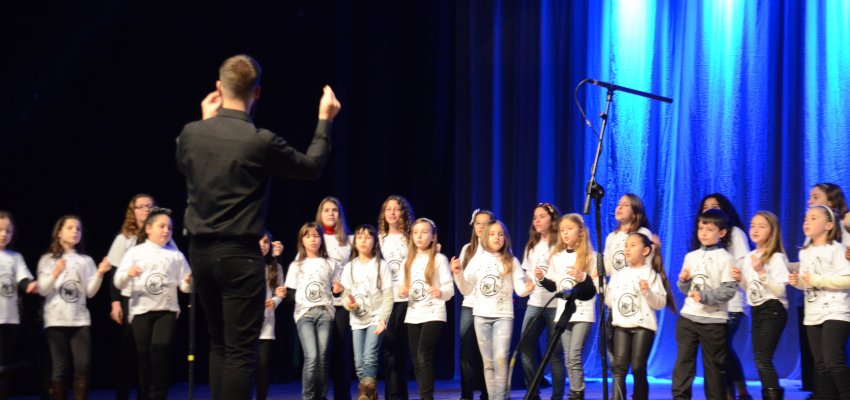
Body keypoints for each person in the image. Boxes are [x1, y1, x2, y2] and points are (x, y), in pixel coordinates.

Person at [175, 54, 341, 400]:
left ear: (219, 88)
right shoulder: (258, 140)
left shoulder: (191, 133)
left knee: (220, 345)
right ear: (258, 93)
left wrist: (207, 122)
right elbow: (311, 167)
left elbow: (186, 165)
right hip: (240, 255)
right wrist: (324, 120)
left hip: (201, 255)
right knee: (238, 353)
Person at [114, 208, 192, 400]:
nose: (166, 230)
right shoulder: (135, 252)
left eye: (170, 227)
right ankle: (145, 395)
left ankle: (158, 396)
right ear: (148, 228)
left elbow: (184, 287)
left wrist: (189, 282)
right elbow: (118, 281)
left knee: (161, 355)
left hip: (167, 310)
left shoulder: (176, 255)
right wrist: (128, 273)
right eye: (161, 226)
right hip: (141, 310)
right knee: (144, 357)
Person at [452, 220, 532, 400]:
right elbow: (466, 289)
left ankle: (499, 397)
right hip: (481, 316)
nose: (497, 237)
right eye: (493, 234)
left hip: (503, 316)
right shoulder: (477, 260)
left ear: (506, 238)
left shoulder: (512, 261)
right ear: (485, 237)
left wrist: (528, 288)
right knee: (488, 363)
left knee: (501, 358)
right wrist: (458, 273)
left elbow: (519, 290)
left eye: (501, 234)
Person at [37, 215, 111, 399]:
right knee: (60, 368)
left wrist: (100, 273)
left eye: (78, 229)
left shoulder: (85, 260)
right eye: (70, 228)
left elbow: (90, 292)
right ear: (59, 232)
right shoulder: (47, 259)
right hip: (56, 320)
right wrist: (56, 272)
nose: (75, 232)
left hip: (80, 320)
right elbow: (43, 290)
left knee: (83, 366)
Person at [671, 209, 737, 400]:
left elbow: (728, 291)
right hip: (688, 319)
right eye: (701, 228)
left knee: (714, 368)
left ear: (722, 233)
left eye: (709, 229)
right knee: (684, 363)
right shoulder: (691, 256)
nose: (704, 233)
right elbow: (686, 290)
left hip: (714, 321)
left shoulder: (726, 258)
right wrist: (683, 281)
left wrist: (705, 296)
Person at [605, 233, 675, 400]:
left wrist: (647, 292)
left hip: (643, 327)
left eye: (633, 245)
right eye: (626, 245)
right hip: (621, 325)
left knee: (638, 367)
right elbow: (609, 301)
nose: (627, 249)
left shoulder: (651, 274)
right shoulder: (618, 274)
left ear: (645, 250)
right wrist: (608, 293)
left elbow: (659, 302)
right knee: (619, 367)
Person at [790, 205, 850, 399]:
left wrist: (816, 280)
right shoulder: (804, 252)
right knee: (821, 364)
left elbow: (847, 279)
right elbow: (807, 284)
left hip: (836, 311)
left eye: (814, 218)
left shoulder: (837, 250)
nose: (807, 221)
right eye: (806, 218)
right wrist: (797, 282)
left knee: (833, 360)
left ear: (829, 225)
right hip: (813, 313)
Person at [104, 193, 157, 400]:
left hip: (154, 300)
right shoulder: (124, 238)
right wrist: (115, 303)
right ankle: (123, 394)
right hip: (130, 299)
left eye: (150, 206)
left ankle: (145, 395)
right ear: (132, 211)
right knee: (130, 351)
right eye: (141, 206)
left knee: (151, 352)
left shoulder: (162, 237)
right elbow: (114, 272)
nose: (146, 209)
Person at [284, 222, 341, 400]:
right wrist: (283, 293)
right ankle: (308, 397)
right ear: (302, 239)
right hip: (304, 314)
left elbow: (336, 289)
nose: (313, 239)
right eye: (308, 236)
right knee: (312, 357)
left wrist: (337, 288)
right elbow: (291, 292)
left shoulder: (330, 263)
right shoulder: (296, 264)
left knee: (323, 357)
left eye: (316, 236)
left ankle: (321, 396)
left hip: (325, 312)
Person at [399, 218, 453, 400]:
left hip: (434, 313)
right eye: (415, 232)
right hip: (413, 314)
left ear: (432, 236)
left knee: (424, 355)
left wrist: (441, 291)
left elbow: (449, 289)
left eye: (424, 232)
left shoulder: (439, 259)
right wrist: (403, 291)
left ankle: (426, 397)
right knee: (416, 361)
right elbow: (400, 288)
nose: (419, 236)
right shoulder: (407, 261)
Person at [736, 211, 788, 400]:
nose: (755, 229)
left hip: (773, 308)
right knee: (760, 359)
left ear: (772, 231)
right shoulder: (750, 256)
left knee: (763, 358)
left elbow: (779, 290)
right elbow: (749, 288)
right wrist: (740, 278)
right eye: (753, 225)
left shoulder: (776, 258)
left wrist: (761, 271)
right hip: (756, 309)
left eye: (761, 226)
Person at [341, 225, 393, 400]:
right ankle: (371, 394)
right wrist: (350, 305)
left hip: (375, 318)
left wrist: (383, 319)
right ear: (354, 242)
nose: (363, 240)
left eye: (368, 237)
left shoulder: (381, 265)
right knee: (359, 364)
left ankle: (365, 395)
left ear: (374, 242)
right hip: (357, 321)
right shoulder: (349, 267)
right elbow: (344, 297)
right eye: (360, 237)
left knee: (370, 357)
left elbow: (388, 296)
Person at [519, 203, 564, 400]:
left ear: (552, 220)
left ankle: (557, 396)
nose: (536, 220)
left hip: (556, 305)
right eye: (534, 217)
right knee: (525, 346)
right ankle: (532, 392)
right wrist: (527, 284)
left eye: (542, 216)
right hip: (535, 303)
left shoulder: (560, 245)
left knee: (554, 354)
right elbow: (527, 274)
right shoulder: (531, 246)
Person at [0, 211, 38, 398]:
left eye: (8, 231)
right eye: (0, 230)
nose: (4, 234)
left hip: (10, 317)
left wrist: (31, 285)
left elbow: (23, 278)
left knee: (6, 363)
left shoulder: (15, 257)